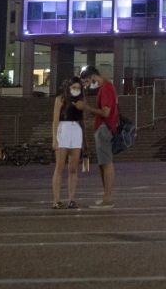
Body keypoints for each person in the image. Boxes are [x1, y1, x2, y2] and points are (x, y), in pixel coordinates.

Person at [77, 66, 118, 209]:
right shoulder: (106, 88)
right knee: (103, 164)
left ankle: (108, 198)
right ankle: (106, 196)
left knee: (106, 163)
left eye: (88, 81)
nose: (88, 86)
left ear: (94, 76)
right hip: (103, 128)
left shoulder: (106, 88)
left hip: (104, 128)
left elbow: (106, 113)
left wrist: (87, 108)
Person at [51, 77, 84, 209]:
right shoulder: (60, 99)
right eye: (74, 87)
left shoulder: (81, 100)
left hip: (76, 131)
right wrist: (54, 139)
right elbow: (55, 120)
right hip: (63, 130)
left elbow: (82, 120)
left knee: (73, 168)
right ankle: (56, 200)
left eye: (78, 88)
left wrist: (85, 143)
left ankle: (71, 199)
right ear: (68, 87)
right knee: (59, 168)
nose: (76, 90)